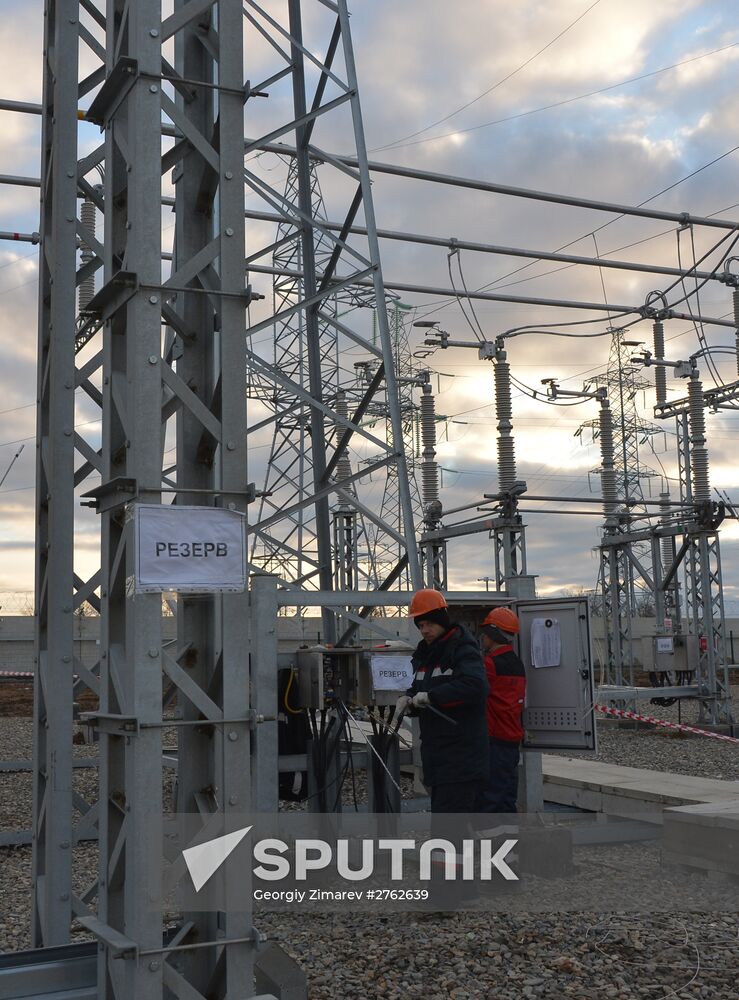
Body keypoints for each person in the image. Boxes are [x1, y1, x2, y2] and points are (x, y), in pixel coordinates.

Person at [395, 589, 489, 813]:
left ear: (442, 621)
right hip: (438, 756)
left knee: (449, 828)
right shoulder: (425, 655)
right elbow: (421, 690)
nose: (424, 630)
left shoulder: (462, 649)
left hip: (460, 757)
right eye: (420, 625)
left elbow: (476, 686)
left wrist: (431, 697)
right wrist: (409, 700)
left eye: (429, 624)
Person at [477, 607, 527, 813]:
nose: (482, 637)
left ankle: (491, 844)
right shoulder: (517, 663)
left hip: (494, 740)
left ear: (494, 634)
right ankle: (508, 843)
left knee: (489, 799)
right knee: (506, 798)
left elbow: (473, 692)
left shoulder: (489, 664)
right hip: (511, 739)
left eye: (485, 632)